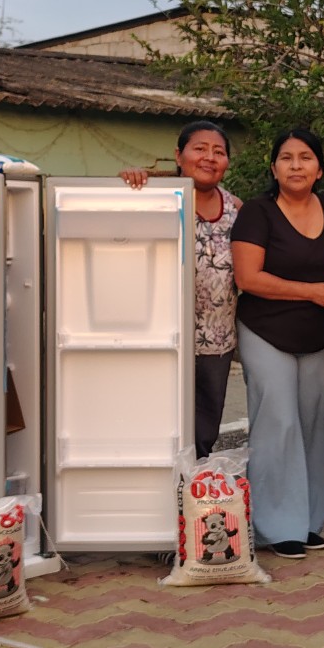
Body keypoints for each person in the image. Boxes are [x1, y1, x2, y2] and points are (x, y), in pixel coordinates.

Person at [231, 129, 324, 561]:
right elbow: (248, 278)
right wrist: (312, 292)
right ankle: (276, 526)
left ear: (320, 169)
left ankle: (308, 522)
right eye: (286, 157)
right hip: (265, 331)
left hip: (316, 335)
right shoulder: (257, 212)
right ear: (274, 168)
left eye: (305, 157)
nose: (296, 165)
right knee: (278, 422)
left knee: (316, 423)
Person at [122, 121, 239, 458]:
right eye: (199, 149)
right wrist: (125, 182)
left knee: (205, 427)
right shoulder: (155, 198)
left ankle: (193, 486)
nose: (209, 158)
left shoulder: (236, 209)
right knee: (156, 421)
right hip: (160, 335)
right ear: (179, 155)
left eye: (218, 152)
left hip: (216, 339)